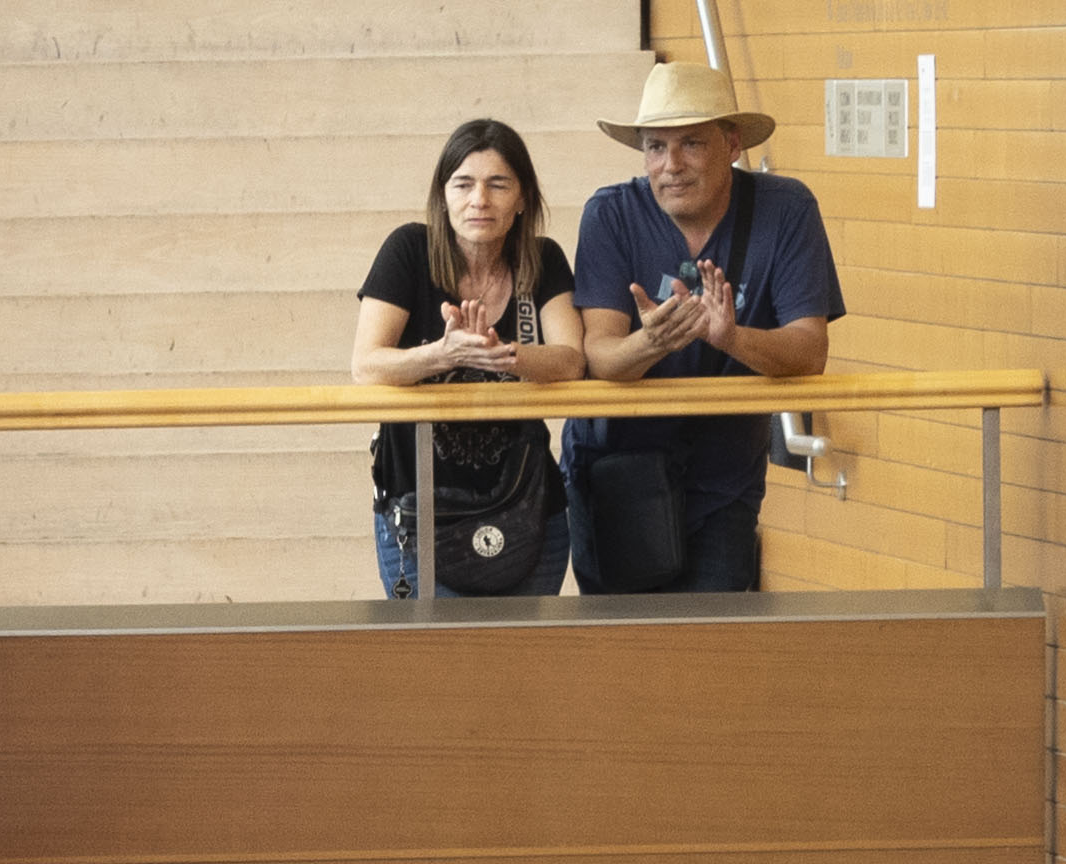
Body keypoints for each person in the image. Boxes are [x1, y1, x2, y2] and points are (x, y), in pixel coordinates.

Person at [568, 59, 844, 595]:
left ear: (732, 143)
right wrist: (651, 342)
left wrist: (731, 337)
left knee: (711, 653)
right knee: (624, 655)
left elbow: (810, 351)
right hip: (618, 472)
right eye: (654, 147)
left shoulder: (786, 210)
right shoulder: (610, 215)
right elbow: (598, 356)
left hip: (724, 479)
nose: (671, 166)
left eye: (691, 144)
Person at [357, 120, 586, 598]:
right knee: (436, 667)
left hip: (527, 502)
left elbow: (571, 361)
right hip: (418, 506)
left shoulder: (541, 259)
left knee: (522, 664)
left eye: (498, 184)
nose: (479, 199)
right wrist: (443, 354)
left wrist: (506, 356)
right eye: (463, 184)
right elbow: (367, 366)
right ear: (443, 196)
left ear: (522, 198)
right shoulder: (409, 251)